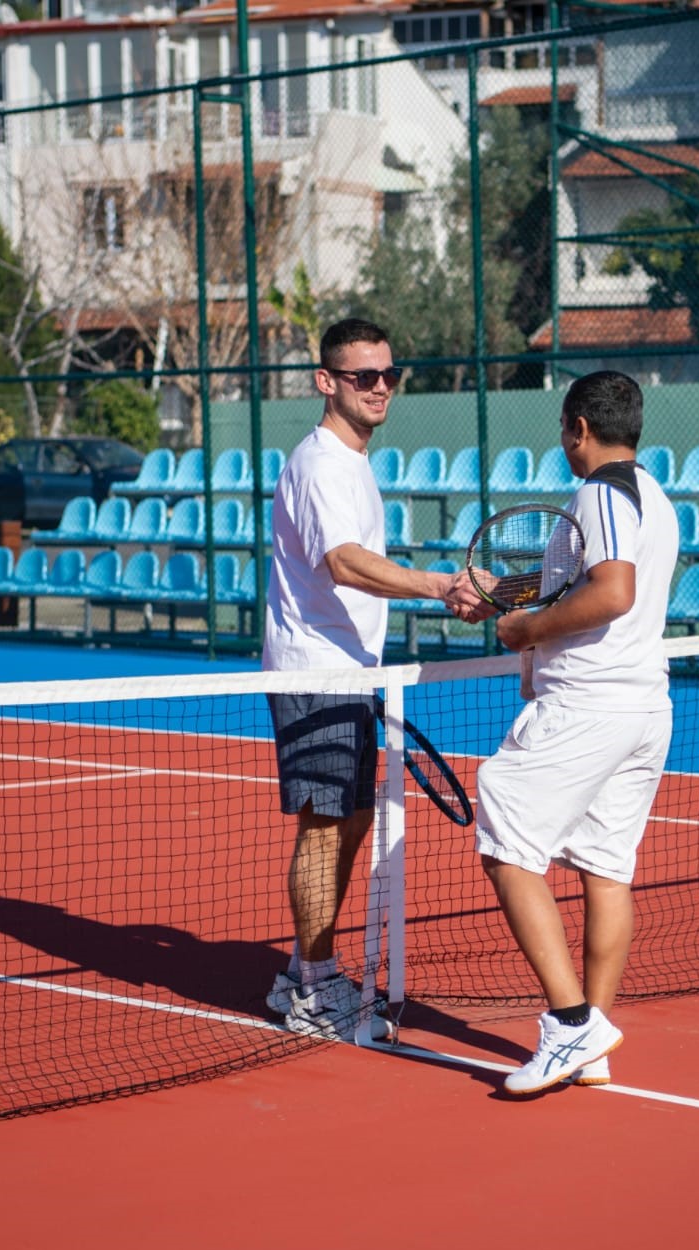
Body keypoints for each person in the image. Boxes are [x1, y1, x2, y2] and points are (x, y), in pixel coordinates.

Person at [262, 317, 488, 1040]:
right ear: (327, 382)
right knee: (325, 830)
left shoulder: (351, 462)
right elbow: (345, 562)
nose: (381, 387)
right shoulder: (325, 463)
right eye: (364, 377)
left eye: (390, 374)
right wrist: (435, 585)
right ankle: (313, 989)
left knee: (351, 821)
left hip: (352, 671)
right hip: (316, 673)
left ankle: (301, 967)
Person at [475, 370, 679, 1094]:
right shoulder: (653, 496)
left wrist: (525, 629)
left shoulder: (600, 493)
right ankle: (591, 1044)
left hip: (587, 706)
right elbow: (584, 580)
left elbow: (613, 592)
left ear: (579, 428)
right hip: (643, 708)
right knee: (604, 865)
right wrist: (504, 596)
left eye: (564, 430)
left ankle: (570, 1027)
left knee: (503, 836)